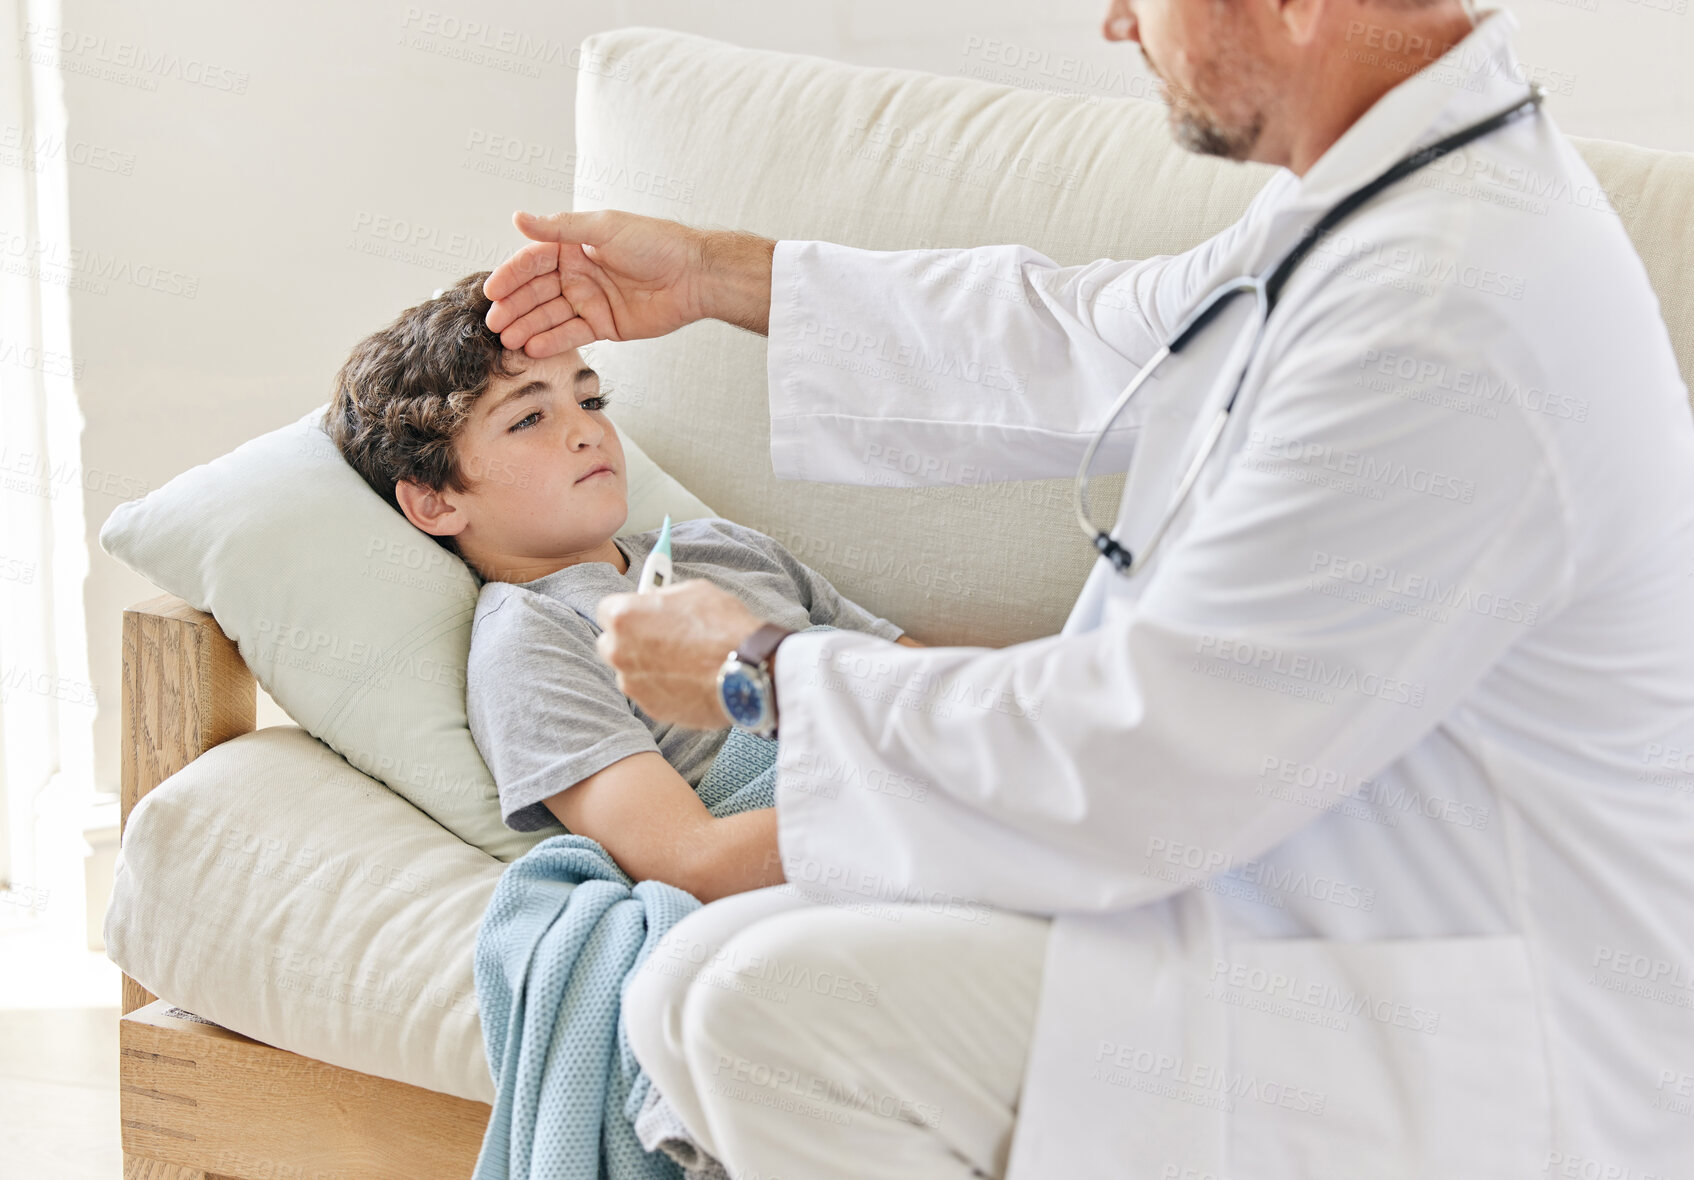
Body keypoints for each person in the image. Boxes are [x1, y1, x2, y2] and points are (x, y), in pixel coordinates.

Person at [479, 0, 1694, 1176]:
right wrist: (704, 274)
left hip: (1456, 1011)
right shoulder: (1383, 202)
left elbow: (1140, 754)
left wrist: (765, 670)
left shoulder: (1437, 312)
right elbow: (1087, 335)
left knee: (764, 1010)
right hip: (1297, 893)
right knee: (686, 985)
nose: (1116, 22)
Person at [326, 271, 922, 904]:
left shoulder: (723, 545)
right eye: (529, 418)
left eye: (590, 401)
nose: (588, 431)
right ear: (436, 503)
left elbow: (937, 682)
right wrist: (946, 815)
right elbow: (696, 863)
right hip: (886, 837)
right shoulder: (531, 642)